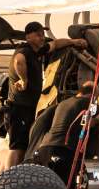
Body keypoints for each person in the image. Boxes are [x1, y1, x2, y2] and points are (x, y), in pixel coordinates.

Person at [6, 22, 87, 167]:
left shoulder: (37, 50)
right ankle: (10, 178)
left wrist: (74, 42)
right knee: (17, 147)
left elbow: (55, 44)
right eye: (38, 35)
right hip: (19, 107)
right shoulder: (25, 50)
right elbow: (19, 61)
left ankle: (18, 174)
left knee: (24, 144)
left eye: (42, 34)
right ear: (28, 37)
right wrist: (24, 80)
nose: (42, 38)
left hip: (29, 107)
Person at [30, 80, 98, 186]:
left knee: (45, 188)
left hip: (45, 148)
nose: (95, 101)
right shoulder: (87, 103)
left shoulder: (63, 103)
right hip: (63, 150)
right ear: (91, 95)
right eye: (96, 97)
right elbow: (94, 121)